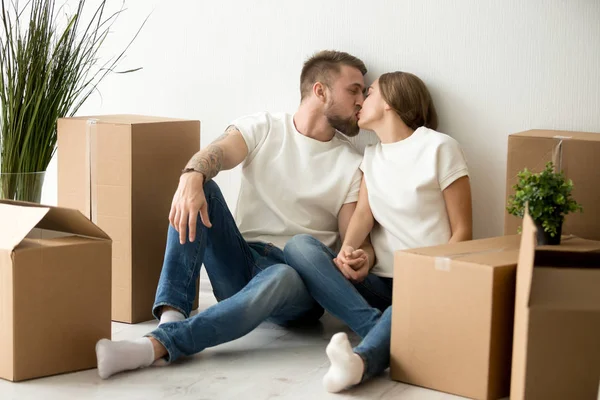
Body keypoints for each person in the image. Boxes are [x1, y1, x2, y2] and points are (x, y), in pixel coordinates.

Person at [95, 50, 375, 379]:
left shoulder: (350, 163)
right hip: (242, 261)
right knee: (202, 189)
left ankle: (153, 346)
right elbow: (220, 151)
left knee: (283, 276)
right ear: (320, 90)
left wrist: (360, 258)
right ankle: (172, 316)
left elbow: (355, 240)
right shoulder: (265, 127)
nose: (360, 100)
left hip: (298, 282)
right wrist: (191, 176)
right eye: (354, 90)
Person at [283, 71, 472, 392]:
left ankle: (360, 362)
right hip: (380, 284)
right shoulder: (372, 156)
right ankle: (382, 328)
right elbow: (362, 216)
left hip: (429, 282)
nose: (359, 101)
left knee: (406, 306)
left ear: (390, 102)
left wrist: (438, 282)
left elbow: (463, 231)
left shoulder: (439, 147)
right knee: (300, 247)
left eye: (368, 94)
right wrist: (348, 252)